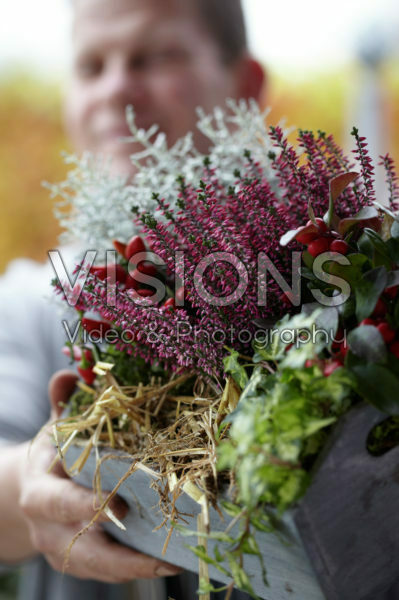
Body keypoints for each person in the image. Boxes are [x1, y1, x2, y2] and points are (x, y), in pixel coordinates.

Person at [0, 1, 264, 599]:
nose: (117, 88)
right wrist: (33, 482)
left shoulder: (314, 279)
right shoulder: (31, 303)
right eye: (91, 66)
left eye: (156, 56)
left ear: (246, 85)